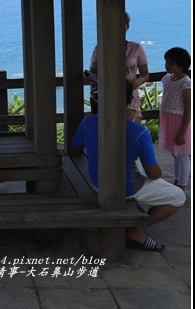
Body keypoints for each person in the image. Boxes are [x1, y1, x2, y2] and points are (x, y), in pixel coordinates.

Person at [71, 80, 186, 251]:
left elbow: (75, 146)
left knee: (134, 167)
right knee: (177, 196)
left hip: (98, 183)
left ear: (97, 99)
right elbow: (154, 173)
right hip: (126, 189)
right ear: (129, 100)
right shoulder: (138, 132)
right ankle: (137, 231)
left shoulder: (87, 123)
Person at [87, 11, 149, 120]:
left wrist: (139, 81)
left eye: (122, 23)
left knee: (132, 129)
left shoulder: (136, 48)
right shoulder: (99, 48)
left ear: (127, 26)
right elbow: (93, 73)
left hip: (130, 97)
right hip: (108, 96)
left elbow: (145, 74)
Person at [158, 47, 191, 191]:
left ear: (181, 65)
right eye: (166, 62)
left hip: (179, 122)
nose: (167, 65)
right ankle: (176, 182)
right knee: (175, 154)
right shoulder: (166, 79)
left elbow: (189, 109)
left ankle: (182, 186)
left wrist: (183, 132)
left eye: (170, 63)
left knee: (182, 155)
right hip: (168, 119)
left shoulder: (186, 83)